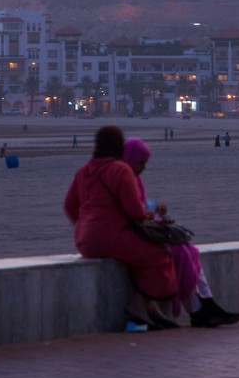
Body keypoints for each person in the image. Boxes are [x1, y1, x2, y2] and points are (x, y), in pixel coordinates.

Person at [64, 126, 177, 331]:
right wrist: (148, 216)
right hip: (112, 237)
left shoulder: (83, 171)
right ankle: (141, 307)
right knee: (159, 254)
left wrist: (84, 225)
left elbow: (69, 206)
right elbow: (133, 210)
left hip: (84, 241)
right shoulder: (120, 169)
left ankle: (146, 310)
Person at [122, 137, 239, 328]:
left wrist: (155, 213)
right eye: (141, 163)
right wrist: (152, 216)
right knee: (181, 253)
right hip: (133, 236)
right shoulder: (124, 181)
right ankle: (198, 310)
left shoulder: (136, 181)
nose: (143, 168)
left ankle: (205, 304)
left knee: (189, 250)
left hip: (141, 231)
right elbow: (133, 212)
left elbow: (142, 207)